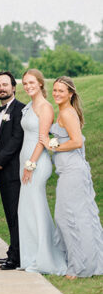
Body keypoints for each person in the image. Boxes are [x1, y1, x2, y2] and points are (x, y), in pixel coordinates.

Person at [46, 76, 103, 278]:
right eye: (55, 90)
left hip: (73, 172)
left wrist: (54, 147)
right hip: (68, 171)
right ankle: (82, 261)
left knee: (68, 217)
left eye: (61, 91)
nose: (57, 94)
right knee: (76, 216)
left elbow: (77, 142)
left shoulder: (68, 113)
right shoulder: (64, 111)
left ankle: (78, 266)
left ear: (70, 93)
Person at [17, 68, 66, 274]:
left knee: (35, 208)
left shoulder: (45, 107)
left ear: (40, 84)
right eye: (25, 83)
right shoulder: (29, 105)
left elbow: (42, 140)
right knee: (26, 210)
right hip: (26, 160)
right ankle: (30, 257)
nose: (28, 86)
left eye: (31, 83)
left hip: (37, 163)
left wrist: (30, 165)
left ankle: (44, 257)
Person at [0, 71, 24, 270]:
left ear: (13, 87)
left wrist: (0, 160)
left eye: (5, 84)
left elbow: (17, 138)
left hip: (14, 171)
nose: (1, 88)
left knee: (16, 215)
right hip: (2, 173)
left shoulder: (21, 110)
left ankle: (17, 257)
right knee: (10, 214)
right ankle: (13, 252)